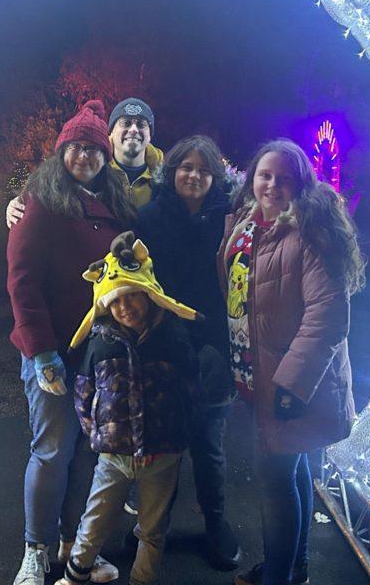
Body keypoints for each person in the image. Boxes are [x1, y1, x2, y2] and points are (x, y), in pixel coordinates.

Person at [220, 139, 365, 585]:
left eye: (284, 178)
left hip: (293, 384)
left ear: (300, 185)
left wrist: (290, 387)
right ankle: (294, 566)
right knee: (296, 468)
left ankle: (278, 576)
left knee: (276, 484)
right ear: (252, 179)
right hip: (259, 372)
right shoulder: (248, 225)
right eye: (265, 175)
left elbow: (327, 317)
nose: (273, 185)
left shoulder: (309, 232)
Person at [7, 100, 137, 585]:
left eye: (94, 149)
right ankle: (35, 551)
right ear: (61, 151)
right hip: (54, 351)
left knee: (88, 450)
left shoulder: (115, 203)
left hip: (99, 351)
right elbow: (22, 283)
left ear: (105, 157)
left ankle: (73, 545)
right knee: (52, 450)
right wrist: (42, 354)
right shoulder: (39, 203)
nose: (85, 156)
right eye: (76, 147)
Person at [56, 231, 199, 585]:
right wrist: (98, 436)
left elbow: (190, 390)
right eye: (115, 302)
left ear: (150, 295)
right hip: (114, 456)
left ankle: (142, 579)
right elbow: (84, 394)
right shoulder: (100, 344)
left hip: (162, 455)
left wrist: (177, 437)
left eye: (134, 296)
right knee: (95, 521)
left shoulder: (173, 338)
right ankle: (74, 577)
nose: (125, 308)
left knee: (153, 527)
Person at [135, 135, 242, 570]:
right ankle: (151, 530)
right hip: (162, 345)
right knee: (162, 445)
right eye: (186, 167)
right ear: (172, 171)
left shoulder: (229, 219)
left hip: (215, 346)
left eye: (203, 170)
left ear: (215, 176)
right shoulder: (149, 217)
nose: (194, 176)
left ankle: (215, 522)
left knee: (208, 445)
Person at [7, 97, 162, 226]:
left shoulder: (166, 177)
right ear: (112, 131)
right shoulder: (90, 169)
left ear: (150, 134)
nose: (134, 129)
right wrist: (22, 204)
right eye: (126, 123)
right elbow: (55, 189)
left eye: (141, 124)